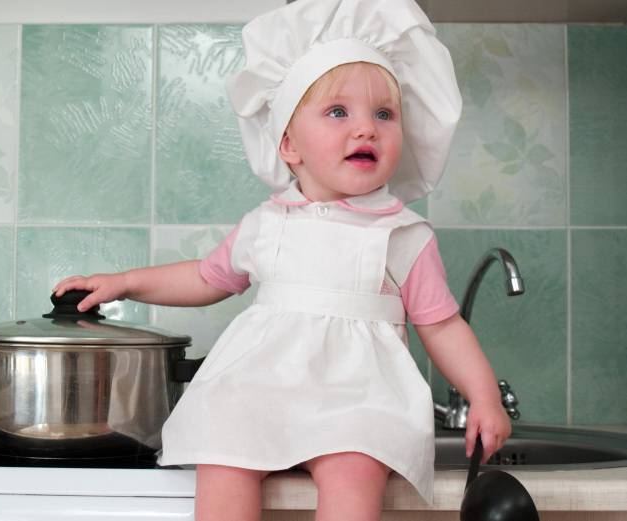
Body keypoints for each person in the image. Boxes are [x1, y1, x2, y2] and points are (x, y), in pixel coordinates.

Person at [53, 0, 512, 519]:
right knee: (224, 458)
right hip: (260, 389)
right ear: (289, 144)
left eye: (383, 113)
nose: (366, 129)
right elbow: (206, 277)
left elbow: (443, 325)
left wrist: (483, 395)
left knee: (356, 468)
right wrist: (126, 282)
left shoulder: (403, 234)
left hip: (355, 399)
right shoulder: (267, 223)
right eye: (339, 112)